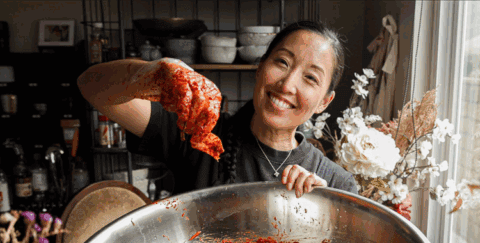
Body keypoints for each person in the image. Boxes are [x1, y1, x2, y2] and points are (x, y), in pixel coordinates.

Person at [77, 21, 358, 198]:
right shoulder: (199, 133)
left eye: (310, 78)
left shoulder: (336, 183)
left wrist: (323, 208)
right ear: (260, 66)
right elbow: (89, 86)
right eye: (282, 62)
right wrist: (147, 74)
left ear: (324, 101)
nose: (287, 84)